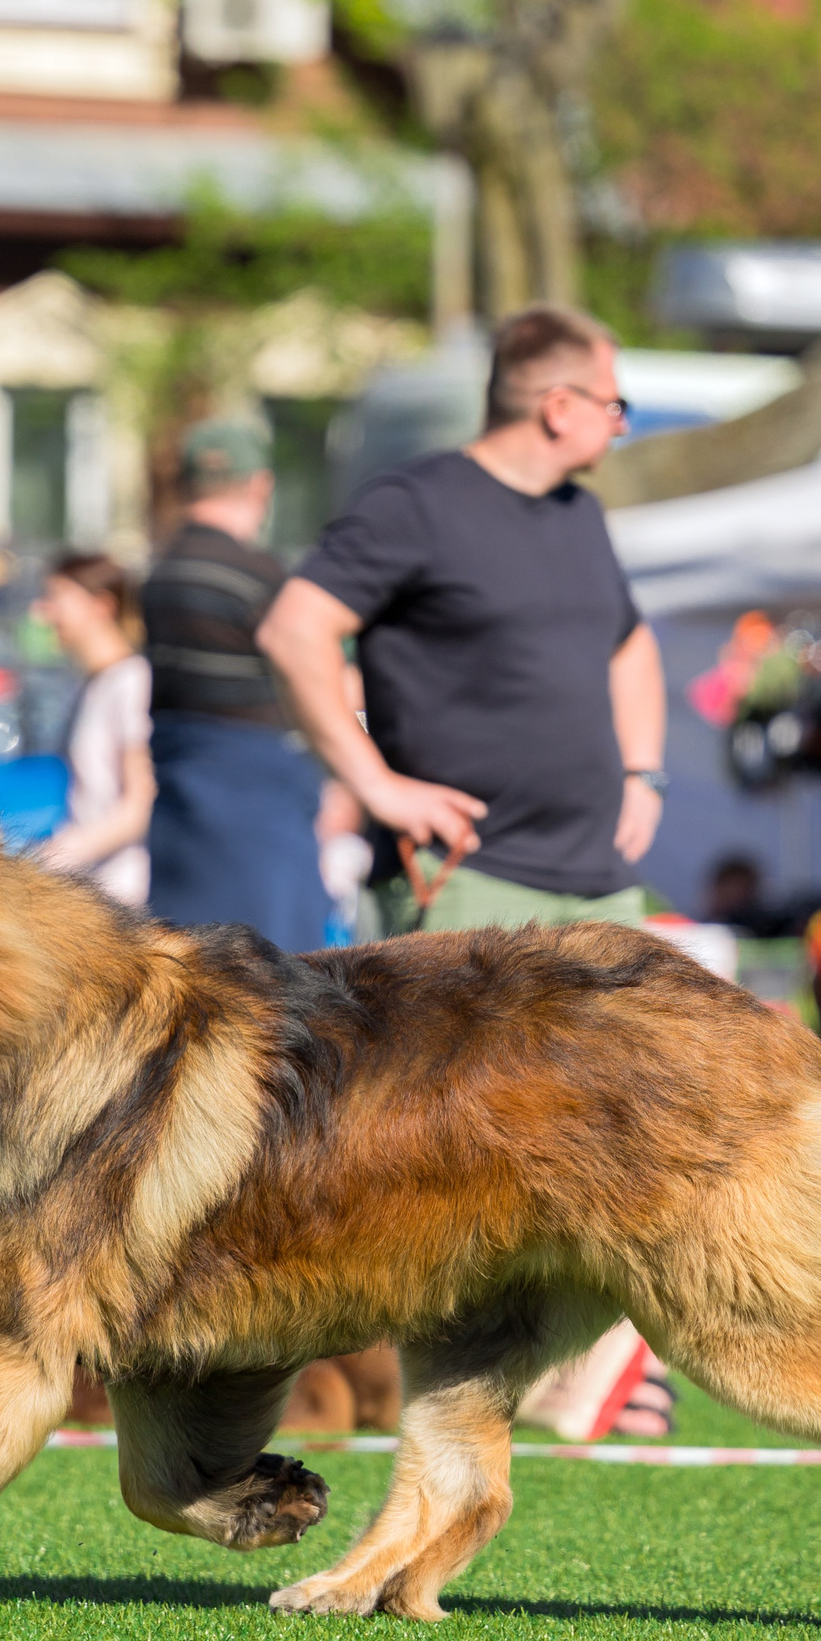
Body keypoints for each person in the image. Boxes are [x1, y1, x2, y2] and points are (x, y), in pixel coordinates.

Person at [256, 302, 676, 1437]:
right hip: (467, 880)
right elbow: (295, 628)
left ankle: (569, 1360)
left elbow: (630, 643)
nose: (621, 421)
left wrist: (644, 775)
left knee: (620, 1121)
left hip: (592, 875)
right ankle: (419, 1373)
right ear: (558, 404)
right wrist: (379, 783)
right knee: (432, 1142)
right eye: (614, 400)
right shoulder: (417, 504)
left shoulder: (580, 518)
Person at [140, 419, 327, 953]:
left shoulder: (160, 575)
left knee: (193, 975)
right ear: (259, 485)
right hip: (260, 800)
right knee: (282, 981)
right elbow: (320, 681)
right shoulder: (261, 576)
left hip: (182, 804)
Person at [32, 554, 154, 905]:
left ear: (101, 605)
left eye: (57, 598)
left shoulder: (132, 682)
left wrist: (54, 857)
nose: (43, 612)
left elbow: (140, 803)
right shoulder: (93, 684)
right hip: (94, 894)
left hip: (126, 900)